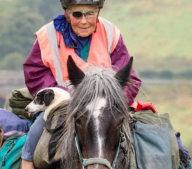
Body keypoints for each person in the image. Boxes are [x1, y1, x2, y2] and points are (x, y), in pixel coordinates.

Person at [21, 0, 142, 168]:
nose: (84, 21)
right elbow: (35, 73)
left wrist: (112, 100)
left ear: (97, 13)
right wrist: (61, 97)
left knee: (147, 138)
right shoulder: (47, 35)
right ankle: (26, 161)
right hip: (63, 104)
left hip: (107, 105)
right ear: (67, 14)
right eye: (77, 14)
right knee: (38, 128)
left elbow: (130, 80)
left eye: (90, 13)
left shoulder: (110, 33)